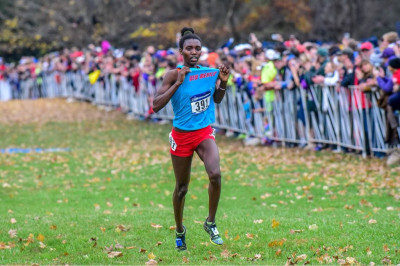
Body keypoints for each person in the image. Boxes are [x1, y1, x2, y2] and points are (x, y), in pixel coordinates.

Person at [152, 27, 230, 251]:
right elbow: (156, 105)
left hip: (203, 132)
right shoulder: (173, 74)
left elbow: (217, 99)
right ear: (181, 51)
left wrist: (222, 82)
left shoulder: (208, 73)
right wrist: (178, 83)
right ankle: (179, 230)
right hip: (181, 135)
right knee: (182, 187)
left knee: (215, 174)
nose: (194, 52)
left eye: (197, 48)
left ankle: (210, 222)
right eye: (189, 48)